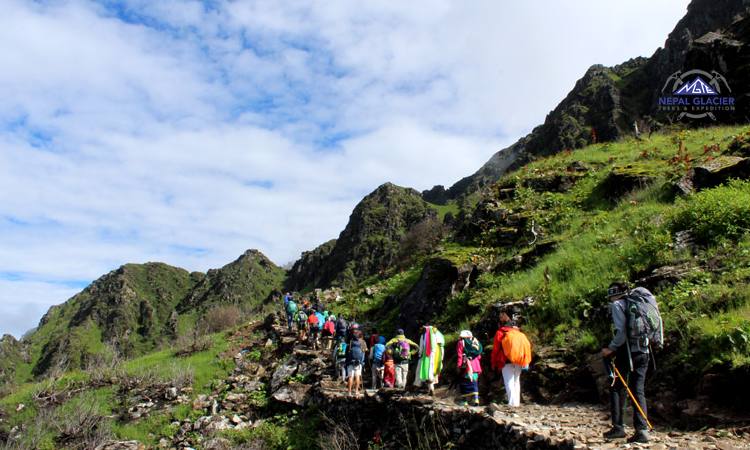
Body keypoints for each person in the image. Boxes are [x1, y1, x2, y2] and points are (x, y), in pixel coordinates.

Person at [601, 281, 658, 444]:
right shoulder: (640, 303)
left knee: (616, 386)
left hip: (627, 353)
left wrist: (610, 349)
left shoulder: (618, 305)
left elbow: (621, 333)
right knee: (638, 389)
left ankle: (618, 428)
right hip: (644, 351)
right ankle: (642, 430)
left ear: (613, 294)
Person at [491, 312, 531, 407]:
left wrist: (493, 363)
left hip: (505, 360)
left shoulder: (500, 332)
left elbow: (496, 349)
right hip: (518, 360)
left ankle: (511, 403)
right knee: (516, 381)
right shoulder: (518, 333)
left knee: (508, 381)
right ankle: (516, 403)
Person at [414, 325, 445, 395]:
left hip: (427, 355)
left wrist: (419, 354)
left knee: (423, 370)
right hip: (438, 355)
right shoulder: (439, 334)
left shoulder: (425, 336)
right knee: (433, 372)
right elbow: (442, 346)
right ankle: (431, 388)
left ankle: (418, 386)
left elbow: (421, 347)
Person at [457, 330, 482, 406]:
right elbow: (479, 355)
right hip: (476, 365)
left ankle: (465, 401)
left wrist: (458, 365)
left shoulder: (461, 342)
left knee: (464, 382)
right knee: (474, 381)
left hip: (466, 366)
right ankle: (476, 399)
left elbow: (460, 355)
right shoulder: (475, 342)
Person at [346, 329, 368, 396]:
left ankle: (349, 392)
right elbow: (365, 351)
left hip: (350, 362)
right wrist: (362, 362)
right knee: (357, 376)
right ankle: (356, 391)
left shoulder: (350, 342)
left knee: (350, 377)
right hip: (359, 362)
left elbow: (346, 353)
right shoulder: (362, 342)